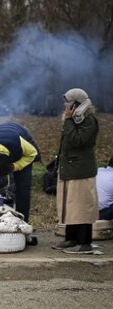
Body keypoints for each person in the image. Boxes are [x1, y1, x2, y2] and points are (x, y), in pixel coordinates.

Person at [53, 88, 99, 254]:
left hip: (81, 170)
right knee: (70, 206)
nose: (66, 106)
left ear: (76, 104)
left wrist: (68, 121)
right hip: (69, 168)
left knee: (82, 207)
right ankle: (71, 239)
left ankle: (85, 243)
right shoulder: (75, 119)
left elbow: (77, 140)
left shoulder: (88, 119)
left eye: (69, 103)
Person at [0, 123, 41, 222]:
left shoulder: (18, 143)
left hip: (24, 150)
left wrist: (16, 166)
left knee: (23, 188)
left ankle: (22, 223)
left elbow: (33, 153)